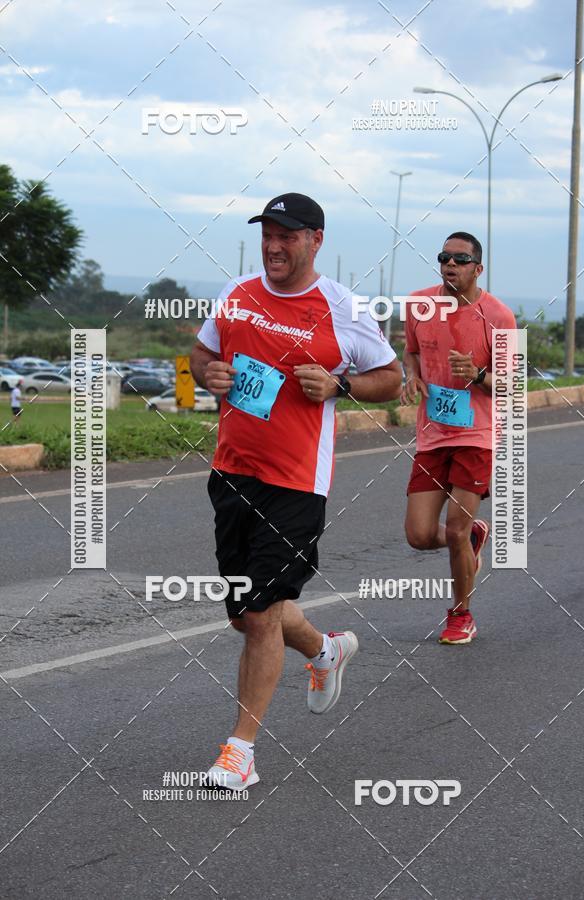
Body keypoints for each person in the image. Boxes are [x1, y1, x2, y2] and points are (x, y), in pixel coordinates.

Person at [190, 192, 403, 789]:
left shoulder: (343, 308)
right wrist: (208, 374)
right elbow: (203, 352)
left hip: (296, 482)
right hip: (232, 472)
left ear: (315, 240)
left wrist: (339, 383)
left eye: (286, 235)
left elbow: (392, 379)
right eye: (267, 234)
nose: (273, 246)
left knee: (258, 615)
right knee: (246, 614)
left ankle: (240, 753)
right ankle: (325, 649)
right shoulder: (237, 292)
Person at [400, 232, 516, 645]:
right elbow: (411, 350)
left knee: (452, 530)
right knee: (418, 534)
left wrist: (479, 376)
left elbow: (511, 384)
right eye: (444, 257)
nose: (451, 264)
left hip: (477, 435)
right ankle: (471, 538)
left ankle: (461, 614)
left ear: (477, 268)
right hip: (432, 433)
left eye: (461, 259)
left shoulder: (499, 317)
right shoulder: (418, 305)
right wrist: (411, 374)